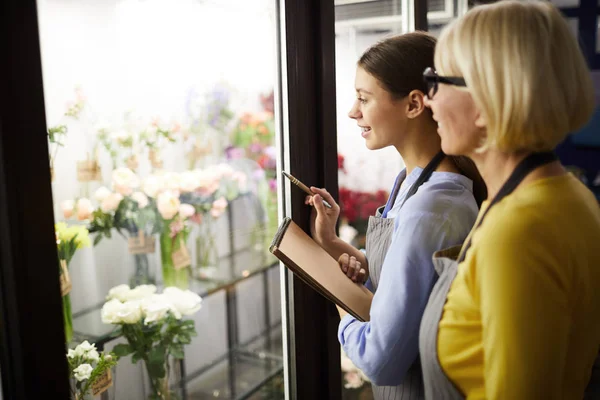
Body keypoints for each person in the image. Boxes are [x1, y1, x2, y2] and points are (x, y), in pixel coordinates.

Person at [420, 1, 600, 399]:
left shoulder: (519, 231)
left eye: (436, 81)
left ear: (484, 101)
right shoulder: (567, 194)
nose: (429, 100)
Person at [305, 32, 486, 399]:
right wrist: (332, 242)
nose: (353, 111)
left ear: (414, 104)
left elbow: (379, 360)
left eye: (364, 98)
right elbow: (401, 281)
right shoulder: (412, 182)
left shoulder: (430, 210)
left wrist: (339, 291)